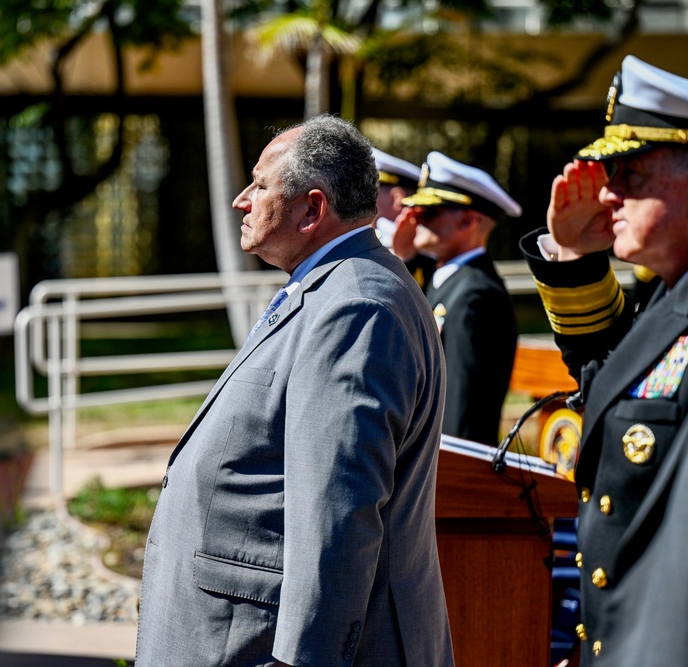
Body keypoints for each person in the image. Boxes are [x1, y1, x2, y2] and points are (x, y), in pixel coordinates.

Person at [135, 115, 454, 667]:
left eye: (259, 185)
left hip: (264, 644)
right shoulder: (333, 285)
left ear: (312, 209)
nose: (241, 200)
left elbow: (338, 517)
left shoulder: (355, 306)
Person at [520, 55, 688, 664]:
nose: (607, 194)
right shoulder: (678, 293)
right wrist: (575, 256)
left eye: (630, 174)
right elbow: (611, 388)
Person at [391, 151, 521, 446]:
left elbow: (463, 411)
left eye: (430, 211)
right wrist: (405, 259)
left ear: (467, 222)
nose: (415, 217)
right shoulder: (449, 281)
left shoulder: (475, 296)